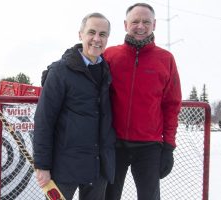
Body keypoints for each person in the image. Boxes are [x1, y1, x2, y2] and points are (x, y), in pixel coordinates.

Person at [103, 3, 182, 200]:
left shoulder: (166, 59)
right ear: (125, 24)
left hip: (149, 146)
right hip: (114, 143)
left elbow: (171, 105)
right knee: (108, 196)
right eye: (135, 21)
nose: (140, 26)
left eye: (146, 21)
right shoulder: (110, 55)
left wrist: (169, 146)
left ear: (154, 24)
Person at [33, 12, 115, 200]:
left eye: (102, 34)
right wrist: (42, 165)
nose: (96, 39)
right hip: (64, 167)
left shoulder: (107, 71)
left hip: (97, 166)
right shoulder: (60, 71)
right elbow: (44, 120)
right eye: (91, 32)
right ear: (81, 35)